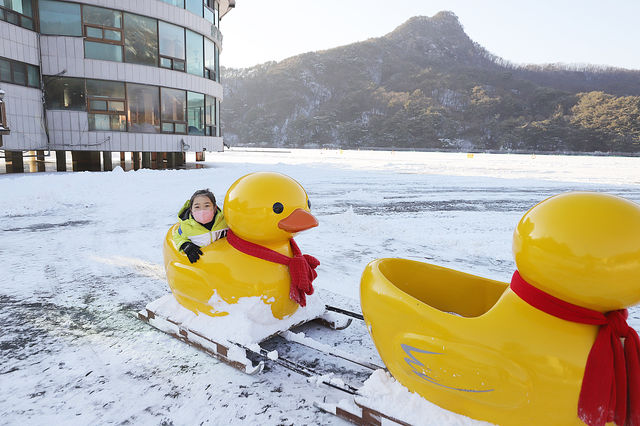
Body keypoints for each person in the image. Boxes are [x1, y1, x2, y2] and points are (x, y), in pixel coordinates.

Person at [172, 189, 228, 263]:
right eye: (197, 207)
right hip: (203, 264)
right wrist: (185, 245)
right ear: (191, 210)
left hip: (223, 260)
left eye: (207, 205)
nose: (202, 210)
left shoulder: (225, 221)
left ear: (214, 208)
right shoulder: (186, 226)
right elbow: (177, 236)